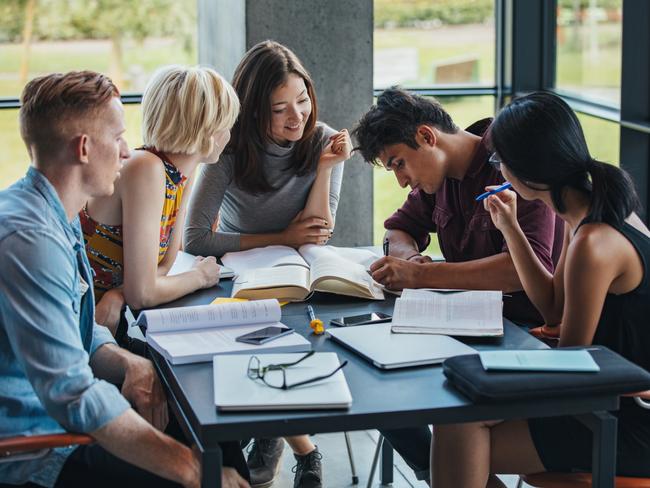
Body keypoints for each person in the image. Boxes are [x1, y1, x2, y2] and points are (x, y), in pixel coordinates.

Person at [0, 71, 248, 487]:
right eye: (117, 137)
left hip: (59, 421)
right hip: (36, 447)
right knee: (203, 459)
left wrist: (128, 361)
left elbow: (77, 332)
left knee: (208, 433)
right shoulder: (30, 240)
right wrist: (191, 470)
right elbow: (74, 394)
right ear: (84, 148)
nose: (126, 151)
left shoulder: (53, 211)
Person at [431, 92, 650, 487]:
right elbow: (553, 309)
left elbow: (572, 359)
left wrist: (496, 386)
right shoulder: (589, 213)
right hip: (611, 394)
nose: (498, 171)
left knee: (459, 424)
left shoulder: (594, 242)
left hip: (625, 417)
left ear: (526, 169)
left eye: (499, 162)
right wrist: (511, 229)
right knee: (460, 414)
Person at [351, 87, 563, 482]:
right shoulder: (438, 180)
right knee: (374, 384)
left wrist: (422, 275)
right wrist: (408, 257)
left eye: (399, 164)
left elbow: (525, 268)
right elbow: (398, 228)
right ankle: (444, 472)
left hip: (527, 339)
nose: (401, 181)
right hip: (466, 333)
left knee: (435, 406)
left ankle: (447, 472)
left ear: (428, 137)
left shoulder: (513, 162)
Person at [184, 40, 351, 488]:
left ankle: (273, 434)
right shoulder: (231, 149)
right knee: (255, 344)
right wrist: (282, 237)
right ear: (255, 110)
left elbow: (320, 228)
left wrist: (324, 166)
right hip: (249, 276)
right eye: (280, 109)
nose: (297, 116)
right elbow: (196, 237)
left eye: (303, 100)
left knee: (303, 340)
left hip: (306, 273)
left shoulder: (322, 139)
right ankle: (304, 448)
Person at [80, 65, 239, 343]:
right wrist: (199, 277)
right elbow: (143, 293)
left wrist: (120, 293)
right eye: (226, 122)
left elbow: (165, 263)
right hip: (81, 323)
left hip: (107, 319)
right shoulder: (146, 168)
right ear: (208, 129)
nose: (229, 133)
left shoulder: (180, 174)